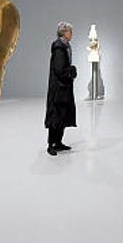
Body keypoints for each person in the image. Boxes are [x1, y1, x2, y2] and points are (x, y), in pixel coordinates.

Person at [45, 21, 78, 156]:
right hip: (59, 88)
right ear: (64, 32)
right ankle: (51, 144)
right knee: (56, 116)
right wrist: (71, 70)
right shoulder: (59, 48)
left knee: (62, 114)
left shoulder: (64, 46)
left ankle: (58, 142)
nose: (72, 34)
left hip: (63, 87)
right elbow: (59, 70)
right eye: (70, 31)